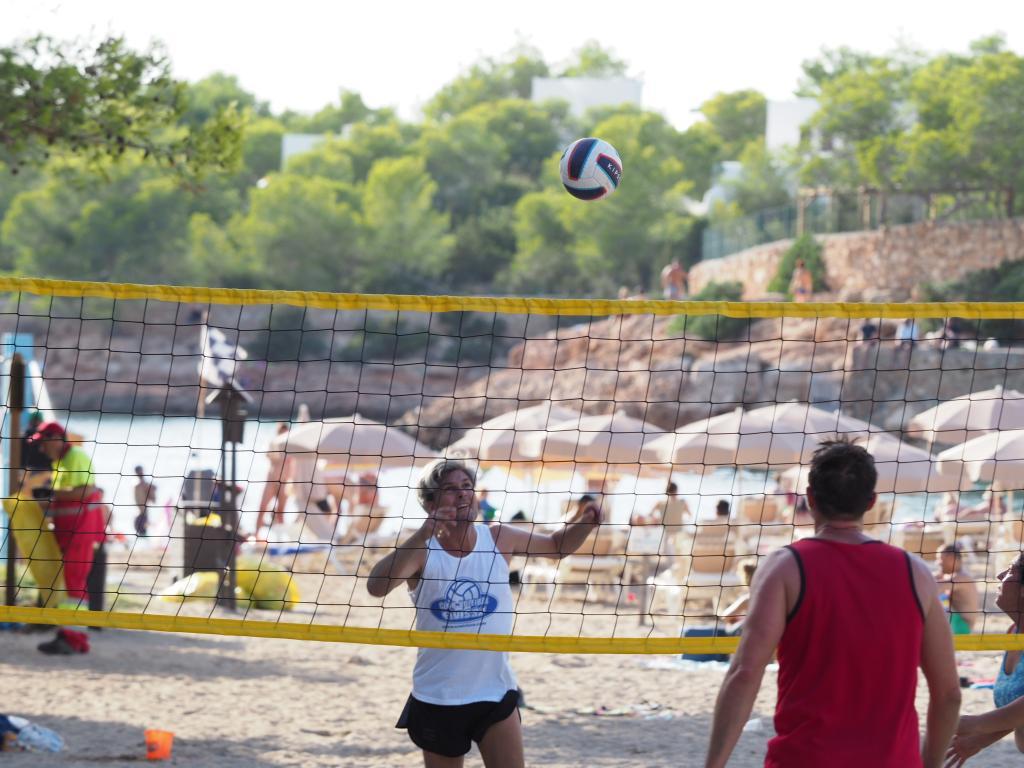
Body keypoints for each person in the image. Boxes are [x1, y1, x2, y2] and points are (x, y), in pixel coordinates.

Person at [704, 440, 961, 768]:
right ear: (871, 502)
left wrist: (713, 764)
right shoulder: (917, 573)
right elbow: (949, 695)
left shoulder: (784, 567)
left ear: (810, 498)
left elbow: (745, 673)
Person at [367, 459, 601, 767]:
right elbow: (376, 587)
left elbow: (556, 547)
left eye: (467, 486)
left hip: (495, 691)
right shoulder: (422, 551)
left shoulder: (499, 537)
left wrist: (586, 523)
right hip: (439, 695)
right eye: (450, 489)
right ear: (430, 504)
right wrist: (421, 534)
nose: (462, 494)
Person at [29, 422, 106, 655]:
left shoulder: (76, 457)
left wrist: (51, 493)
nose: (41, 448)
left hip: (81, 532)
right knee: (69, 584)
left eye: (43, 442)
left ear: (56, 438)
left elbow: (85, 491)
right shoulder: (60, 463)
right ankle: (73, 637)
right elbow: (64, 501)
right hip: (68, 533)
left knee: (74, 584)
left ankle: (72, 638)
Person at [947, 552, 1024, 764]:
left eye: (1011, 570)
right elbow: (1017, 708)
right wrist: (981, 739)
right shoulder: (1013, 633)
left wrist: (975, 724)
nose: (999, 575)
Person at [936, 543, 981, 635]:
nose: (938, 563)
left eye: (940, 559)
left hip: (961, 627)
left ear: (951, 558)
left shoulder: (962, 578)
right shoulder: (951, 576)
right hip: (956, 623)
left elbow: (935, 589)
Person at [133, 465, 156, 538]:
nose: (142, 473)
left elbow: (153, 499)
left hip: (142, 515)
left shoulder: (143, 485)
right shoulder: (138, 485)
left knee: (143, 537)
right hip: (140, 516)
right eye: (140, 472)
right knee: (142, 537)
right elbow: (153, 499)